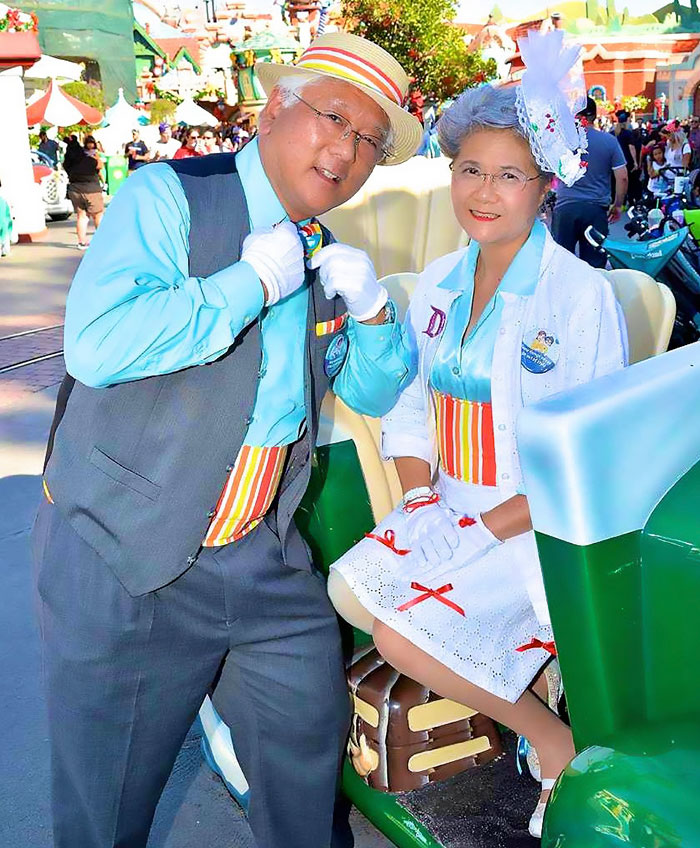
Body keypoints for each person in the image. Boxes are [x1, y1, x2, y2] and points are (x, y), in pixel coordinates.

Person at [32, 31, 422, 848]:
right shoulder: (167, 195)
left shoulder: (321, 250)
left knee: (307, 773)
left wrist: (377, 314)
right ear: (278, 105)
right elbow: (97, 344)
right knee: (104, 816)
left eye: (369, 142)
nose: (347, 151)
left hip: (261, 554)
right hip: (129, 555)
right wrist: (247, 285)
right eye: (335, 118)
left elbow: (371, 389)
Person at [328, 31, 628, 841]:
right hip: (449, 504)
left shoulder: (579, 297)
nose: (483, 192)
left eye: (508, 175)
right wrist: (423, 499)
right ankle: (509, 683)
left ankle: (549, 734)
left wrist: (483, 529)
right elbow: (413, 407)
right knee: (346, 591)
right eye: (469, 169)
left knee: (395, 632)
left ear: (544, 189)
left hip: (530, 522)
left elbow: (582, 455)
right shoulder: (437, 281)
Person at [551, 97, 628, 268]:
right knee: (595, 266)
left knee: (561, 264)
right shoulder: (609, 141)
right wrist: (617, 205)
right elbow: (622, 177)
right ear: (594, 115)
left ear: (575, 114)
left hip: (565, 208)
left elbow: (549, 172)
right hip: (595, 209)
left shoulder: (562, 141)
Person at [63, 137, 105, 249]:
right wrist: (97, 157)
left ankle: (82, 242)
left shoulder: (68, 163)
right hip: (92, 190)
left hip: (75, 190)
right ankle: (103, 240)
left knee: (82, 216)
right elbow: (100, 166)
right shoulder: (89, 160)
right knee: (98, 215)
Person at [614, 110, 641, 203]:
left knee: (617, 181)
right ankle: (631, 200)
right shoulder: (628, 133)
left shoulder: (613, 133)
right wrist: (635, 162)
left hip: (616, 161)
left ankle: (620, 201)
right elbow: (631, 147)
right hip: (627, 160)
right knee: (630, 181)